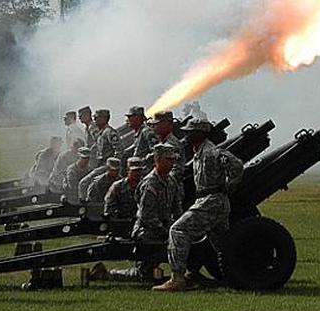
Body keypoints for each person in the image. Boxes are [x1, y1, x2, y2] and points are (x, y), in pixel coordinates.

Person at [154, 117, 243, 292]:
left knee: (178, 230)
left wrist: (229, 185)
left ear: (200, 133)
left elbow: (237, 165)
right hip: (211, 200)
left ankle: (177, 278)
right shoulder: (198, 152)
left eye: (190, 132)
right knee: (222, 245)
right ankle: (237, 276)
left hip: (211, 201)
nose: (186, 135)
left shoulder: (210, 151)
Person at [102, 144, 182, 282]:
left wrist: (177, 227)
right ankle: (109, 274)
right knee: (143, 274)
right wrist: (165, 231)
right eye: (168, 159)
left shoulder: (171, 182)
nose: (172, 163)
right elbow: (147, 216)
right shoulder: (149, 184)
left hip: (163, 228)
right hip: (147, 231)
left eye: (173, 160)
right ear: (157, 160)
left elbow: (177, 210)